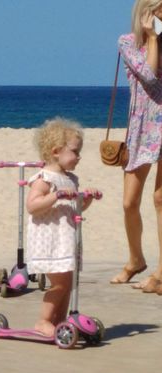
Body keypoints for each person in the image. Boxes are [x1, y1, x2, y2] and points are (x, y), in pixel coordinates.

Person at [26, 118, 100, 337]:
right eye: (75, 152)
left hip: (66, 238)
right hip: (49, 240)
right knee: (59, 284)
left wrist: (87, 198)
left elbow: (75, 208)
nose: (78, 157)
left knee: (68, 284)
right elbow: (32, 206)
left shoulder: (71, 179)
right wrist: (55, 195)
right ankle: (43, 321)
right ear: (56, 151)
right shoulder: (45, 178)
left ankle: (60, 321)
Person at [109, 0, 162, 295]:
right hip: (142, 129)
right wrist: (152, 37)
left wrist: (157, 38)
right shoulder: (127, 42)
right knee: (129, 202)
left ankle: (160, 272)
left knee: (160, 199)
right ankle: (136, 259)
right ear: (145, 12)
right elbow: (149, 75)